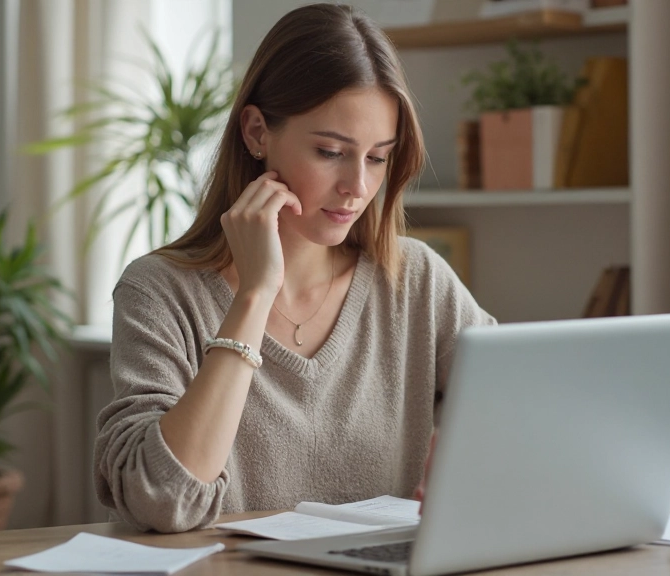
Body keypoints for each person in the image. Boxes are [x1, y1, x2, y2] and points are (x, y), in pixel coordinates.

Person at [93, 3, 495, 533]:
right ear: (257, 132)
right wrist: (255, 294)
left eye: (377, 158)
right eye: (331, 151)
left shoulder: (415, 280)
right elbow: (164, 500)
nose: (357, 187)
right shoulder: (159, 292)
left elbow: (525, 417)